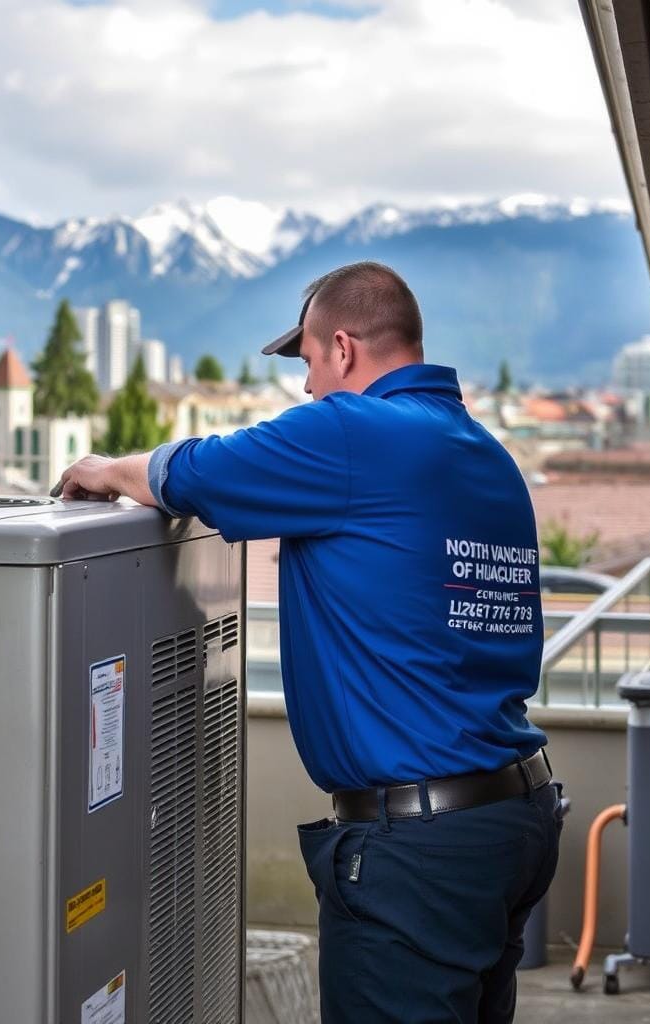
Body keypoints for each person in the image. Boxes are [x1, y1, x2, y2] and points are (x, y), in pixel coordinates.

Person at [56, 261, 561, 1024]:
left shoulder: (354, 431)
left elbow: (200, 472)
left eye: (310, 364)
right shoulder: (481, 452)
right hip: (510, 819)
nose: (306, 389)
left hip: (419, 850)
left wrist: (104, 470)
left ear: (346, 349)